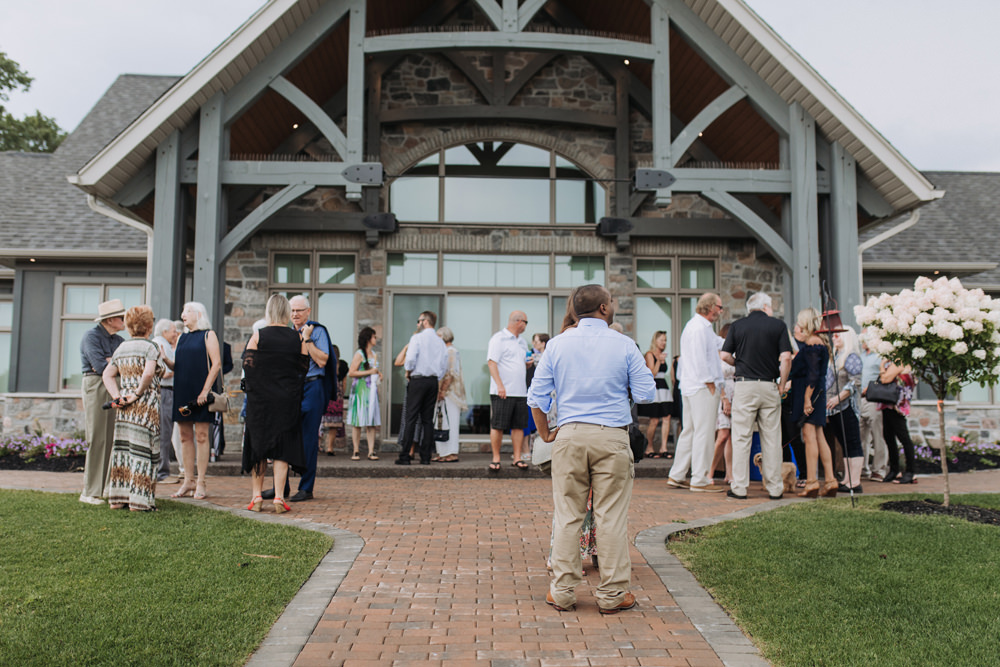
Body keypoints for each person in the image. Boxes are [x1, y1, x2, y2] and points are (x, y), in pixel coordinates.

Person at [528, 284, 656, 614]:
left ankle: (563, 591)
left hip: (569, 435)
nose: (612, 305)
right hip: (611, 436)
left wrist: (545, 434)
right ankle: (613, 594)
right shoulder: (624, 344)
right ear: (602, 308)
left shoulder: (556, 345)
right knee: (610, 516)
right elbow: (646, 394)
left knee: (568, 514)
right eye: (610, 301)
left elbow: (536, 398)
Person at [720, 293, 792, 500]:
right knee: (771, 437)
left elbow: (724, 356)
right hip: (769, 385)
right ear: (766, 306)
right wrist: (781, 383)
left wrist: (739, 364)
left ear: (749, 308)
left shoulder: (737, 326)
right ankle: (775, 488)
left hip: (744, 386)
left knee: (741, 437)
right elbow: (786, 358)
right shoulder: (778, 326)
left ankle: (740, 487)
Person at [242, 294, 309, 513]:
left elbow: (248, 366)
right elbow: (303, 368)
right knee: (283, 448)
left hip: (261, 401)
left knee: (258, 446)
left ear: (269, 310)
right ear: (287, 312)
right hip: (286, 400)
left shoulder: (258, 335)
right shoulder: (297, 338)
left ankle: (257, 497)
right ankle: (279, 497)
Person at [102, 305, 164, 511]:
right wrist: (137, 393)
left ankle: (119, 497)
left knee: (123, 449)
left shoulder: (122, 348)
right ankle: (139, 500)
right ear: (148, 325)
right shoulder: (150, 347)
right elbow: (148, 374)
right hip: (144, 404)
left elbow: (107, 375)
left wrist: (117, 397)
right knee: (144, 450)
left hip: (124, 406)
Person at [667, 293, 726, 493]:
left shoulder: (694, 326)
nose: (721, 311)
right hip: (702, 386)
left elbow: (719, 344)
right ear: (710, 307)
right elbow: (701, 359)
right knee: (704, 432)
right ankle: (700, 478)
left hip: (689, 385)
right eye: (719, 307)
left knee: (690, 431)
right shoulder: (701, 328)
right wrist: (710, 382)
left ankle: (677, 474)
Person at [169, 301, 221, 500]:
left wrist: (205, 390)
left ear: (198, 314)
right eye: (182, 311)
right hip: (182, 389)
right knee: (184, 436)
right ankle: (187, 480)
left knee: (201, 435)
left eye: (187, 311)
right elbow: (178, 366)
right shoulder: (181, 338)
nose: (183, 314)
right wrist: (165, 360)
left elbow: (216, 364)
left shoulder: (209, 335)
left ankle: (201, 481)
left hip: (201, 390)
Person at [284, 294, 333, 502]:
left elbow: (322, 361)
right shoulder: (286, 333)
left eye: (299, 311)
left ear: (308, 311)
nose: (295, 314)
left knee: (309, 439)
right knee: (284, 436)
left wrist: (307, 339)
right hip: (291, 388)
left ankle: (306, 487)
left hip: (312, 386)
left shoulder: (317, 331)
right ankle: (281, 486)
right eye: (292, 311)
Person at [78, 298, 126, 504]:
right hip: (96, 385)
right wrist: (113, 362)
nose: (124, 320)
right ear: (110, 320)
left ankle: (105, 487)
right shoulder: (91, 336)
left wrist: (111, 362)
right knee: (97, 437)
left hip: (114, 385)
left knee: (111, 438)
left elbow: (124, 364)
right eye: (121, 317)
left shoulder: (119, 341)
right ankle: (90, 491)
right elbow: (99, 365)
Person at [787, 308, 838, 498]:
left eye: (800, 322)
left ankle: (811, 482)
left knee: (809, 437)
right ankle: (831, 480)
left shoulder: (812, 343)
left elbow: (813, 374)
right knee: (819, 436)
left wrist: (807, 399)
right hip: (816, 393)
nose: (798, 325)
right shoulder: (819, 343)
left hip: (810, 394)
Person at [394, 310, 448, 465]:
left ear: (425, 321)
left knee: (410, 417)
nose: (417, 324)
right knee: (427, 420)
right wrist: (436, 377)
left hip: (418, 379)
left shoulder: (417, 338)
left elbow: (410, 358)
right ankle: (425, 457)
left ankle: (405, 456)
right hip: (432, 381)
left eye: (419, 321)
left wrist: (408, 371)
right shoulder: (440, 342)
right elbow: (444, 365)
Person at [487, 310, 531, 471]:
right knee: (498, 425)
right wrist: (499, 385)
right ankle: (496, 458)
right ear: (519, 322)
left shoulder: (523, 342)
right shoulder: (499, 339)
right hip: (502, 391)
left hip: (520, 391)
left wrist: (527, 364)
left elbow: (520, 363)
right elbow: (492, 363)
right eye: (526, 322)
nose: (526, 325)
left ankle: (517, 457)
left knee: (518, 426)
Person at [825, 326, 864, 493]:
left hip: (846, 407)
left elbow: (855, 382)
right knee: (844, 444)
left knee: (853, 442)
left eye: (838, 335)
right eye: (833, 336)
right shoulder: (835, 357)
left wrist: (839, 397)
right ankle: (847, 479)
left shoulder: (851, 357)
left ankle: (855, 482)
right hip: (833, 409)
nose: (834, 338)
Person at [346, 326, 382, 461]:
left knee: (371, 421)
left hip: (371, 391)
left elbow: (374, 370)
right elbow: (351, 372)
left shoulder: (373, 354)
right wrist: (369, 372)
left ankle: (371, 451)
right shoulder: (359, 354)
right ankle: (356, 450)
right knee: (358, 420)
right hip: (361, 389)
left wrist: (378, 374)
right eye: (374, 337)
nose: (376, 339)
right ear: (368, 338)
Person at [879, 359, 918, 484]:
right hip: (889, 404)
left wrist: (881, 365)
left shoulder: (899, 363)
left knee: (903, 438)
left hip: (896, 406)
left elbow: (884, 379)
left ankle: (910, 471)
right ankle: (894, 470)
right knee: (889, 437)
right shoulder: (894, 364)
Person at [152, 318, 180, 483]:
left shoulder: (163, 344)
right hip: (164, 391)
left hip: (166, 392)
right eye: (173, 331)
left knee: (164, 431)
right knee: (164, 432)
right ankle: (162, 471)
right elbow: (162, 371)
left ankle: (161, 469)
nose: (175, 334)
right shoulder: (160, 344)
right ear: (164, 332)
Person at [859, 333, 889, 481]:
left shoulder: (880, 356)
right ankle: (862, 468)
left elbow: (885, 377)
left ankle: (879, 469)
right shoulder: (861, 355)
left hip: (874, 399)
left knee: (878, 435)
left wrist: (870, 388)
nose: (861, 340)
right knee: (861, 436)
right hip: (859, 399)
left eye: (864, 338)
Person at [434, 326, 466, 463]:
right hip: (445, 394)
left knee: (450, 423)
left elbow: (451, 374)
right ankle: (442, 452)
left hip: (450, 394)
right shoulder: (444, 351)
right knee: (442, 423)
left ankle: (451, 453)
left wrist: (442, 391)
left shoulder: (451, 352)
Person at [638, 331, 672, 458]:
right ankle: (649, 447)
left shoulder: (662, 355)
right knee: (654, 420)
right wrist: (659, 361)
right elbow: (652, 374)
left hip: (664, 388)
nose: (664, 342)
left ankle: (664, 447)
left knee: (667, 417)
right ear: (656, 341)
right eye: (662, 340)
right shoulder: (649, 354)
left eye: (665, 340)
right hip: (654, 387)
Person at [710, 323, 734, 485]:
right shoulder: (718, 355)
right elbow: (717, 378)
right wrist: (724, 398)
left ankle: (729, 473)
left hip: (736, 393)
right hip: (723, 394)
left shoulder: (735, 354)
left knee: (731, 436)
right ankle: (709, 471)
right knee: (722, 435)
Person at [321, 344, 350, 456]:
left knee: (322, 422)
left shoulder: (325, 364)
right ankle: (330, 447)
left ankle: (319, 445)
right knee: (334, 424)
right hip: (337, 396)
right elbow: (344, 382)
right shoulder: (342, 365)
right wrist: (342, 394)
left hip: (326, 394)